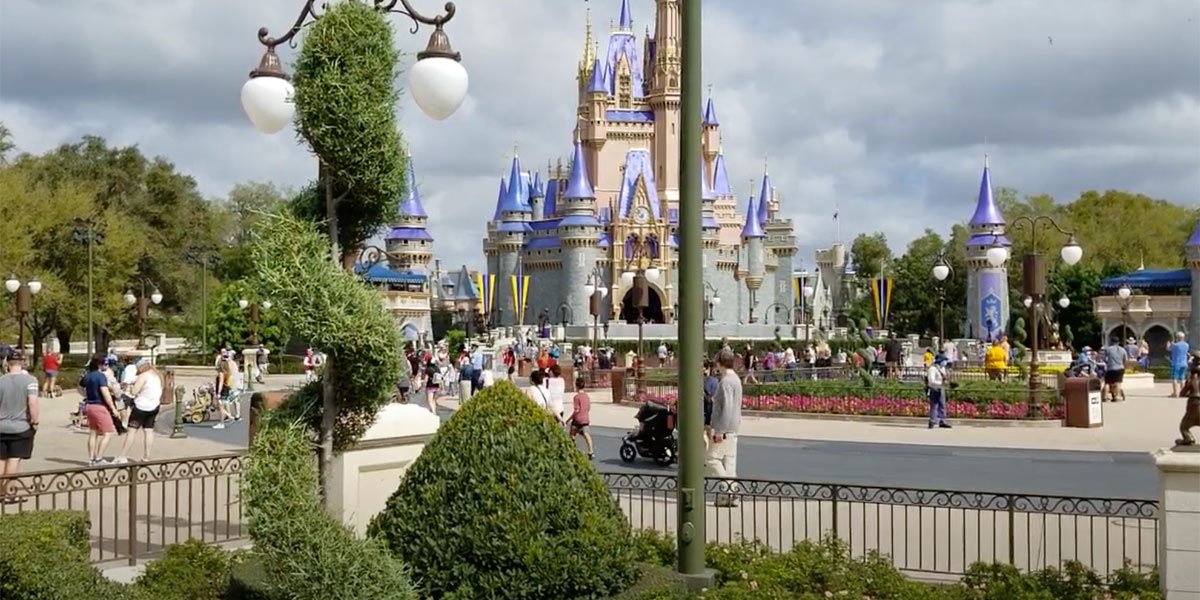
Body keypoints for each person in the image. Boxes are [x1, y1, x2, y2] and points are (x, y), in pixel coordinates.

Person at [0, 350, 39, 503]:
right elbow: (32, 402)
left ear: (7, 364)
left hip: (1, 425)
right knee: (14, 459)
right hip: (20, 426)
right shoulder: (30, 380)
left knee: (1, 459)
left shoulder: (1, 381)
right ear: (22, 363)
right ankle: (10, 493)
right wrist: (35, 421)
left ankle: (1, 492)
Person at [708, 349, 742, 507]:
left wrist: (720, 429)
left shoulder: (726, 381)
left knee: (711, 458)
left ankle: (730, 490)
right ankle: (731, 496)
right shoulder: (735, 379)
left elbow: (727, 407)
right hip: (734, 427)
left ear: (719, 363)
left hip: (725, 428)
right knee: (729, 463)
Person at [113, 359, 163, 464]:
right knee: (148, 431)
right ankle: (146, 456)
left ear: (141, 367)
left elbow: (134, 391)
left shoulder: (143, 376)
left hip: (141, 407)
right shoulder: (157, 375)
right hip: (154, 406)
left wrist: (131, 388)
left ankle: (123, 456)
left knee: (132, 431)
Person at [80, 355, 118, 466]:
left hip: (89, 405)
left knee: (93, 433)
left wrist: (85, 395)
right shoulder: (101, 377)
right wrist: (113, 408)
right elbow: (105, 393)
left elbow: (80, 387)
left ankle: (91, 459)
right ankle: (99, 458)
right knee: (108, 432)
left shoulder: (87, 376)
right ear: (99, 365)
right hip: (99, 406)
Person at [568, 376, 594, 460]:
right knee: (586, 434)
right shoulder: (587, 396)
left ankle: (572, 449)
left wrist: (569, 419)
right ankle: (591, 451)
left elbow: (576, 410)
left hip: (578, 419)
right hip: (585, 418)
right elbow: (588, 407)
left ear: (576, 386)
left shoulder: (576, 397)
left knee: (572, 433)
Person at [926, 354, 952, 429]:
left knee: (942, 405)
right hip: (934, 388)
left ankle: (942, 421)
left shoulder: (942, 368)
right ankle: (932, 421)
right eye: (944, 360)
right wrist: (941, 383)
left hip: (941, 388)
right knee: (934, 405)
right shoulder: (932, 369)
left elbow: (943, 377)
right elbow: (931, 380)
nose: (945, 362)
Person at [1170, 332, 1190, 398]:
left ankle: (1175, 393)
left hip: (1176, 363)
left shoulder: (1175, 345)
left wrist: (1169, 344)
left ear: (1177, 337)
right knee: (1182, 378)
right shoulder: (1187, 345)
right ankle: (1182, 392)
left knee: (1174, 378)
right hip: (1184, 363)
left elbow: (1168, 349)